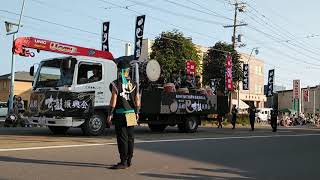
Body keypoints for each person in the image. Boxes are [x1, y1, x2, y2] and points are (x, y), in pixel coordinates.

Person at [107, 59, 140, 169]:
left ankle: (123, 161)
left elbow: (113, 99)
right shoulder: (134, 84)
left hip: (120, 114)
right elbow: (137, 99)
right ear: (128, 71)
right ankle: (129, 160)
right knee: (130, 138)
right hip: (131, 114)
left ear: (119, 71)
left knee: (122, 138)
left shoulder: (116, 83)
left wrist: (110, 113)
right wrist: (137, 112)